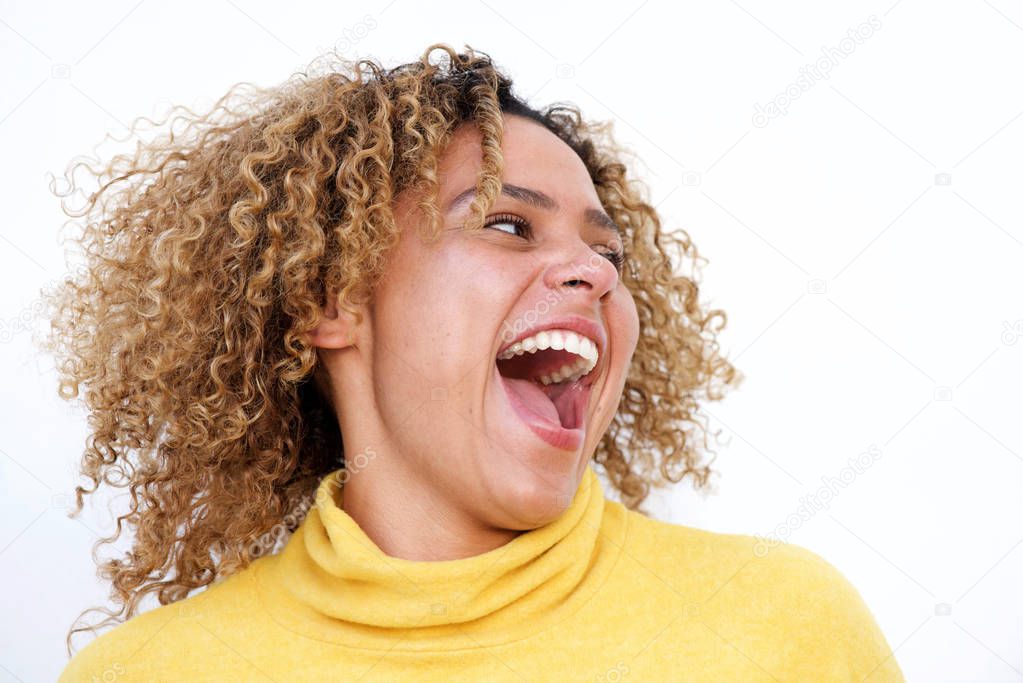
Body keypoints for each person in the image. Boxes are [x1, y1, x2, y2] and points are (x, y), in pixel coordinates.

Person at [46, 43, 905, 681]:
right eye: (506, 224)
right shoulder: (149, 672)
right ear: (328, 299)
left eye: (609, 253)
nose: (594, 272)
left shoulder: (777, 627)